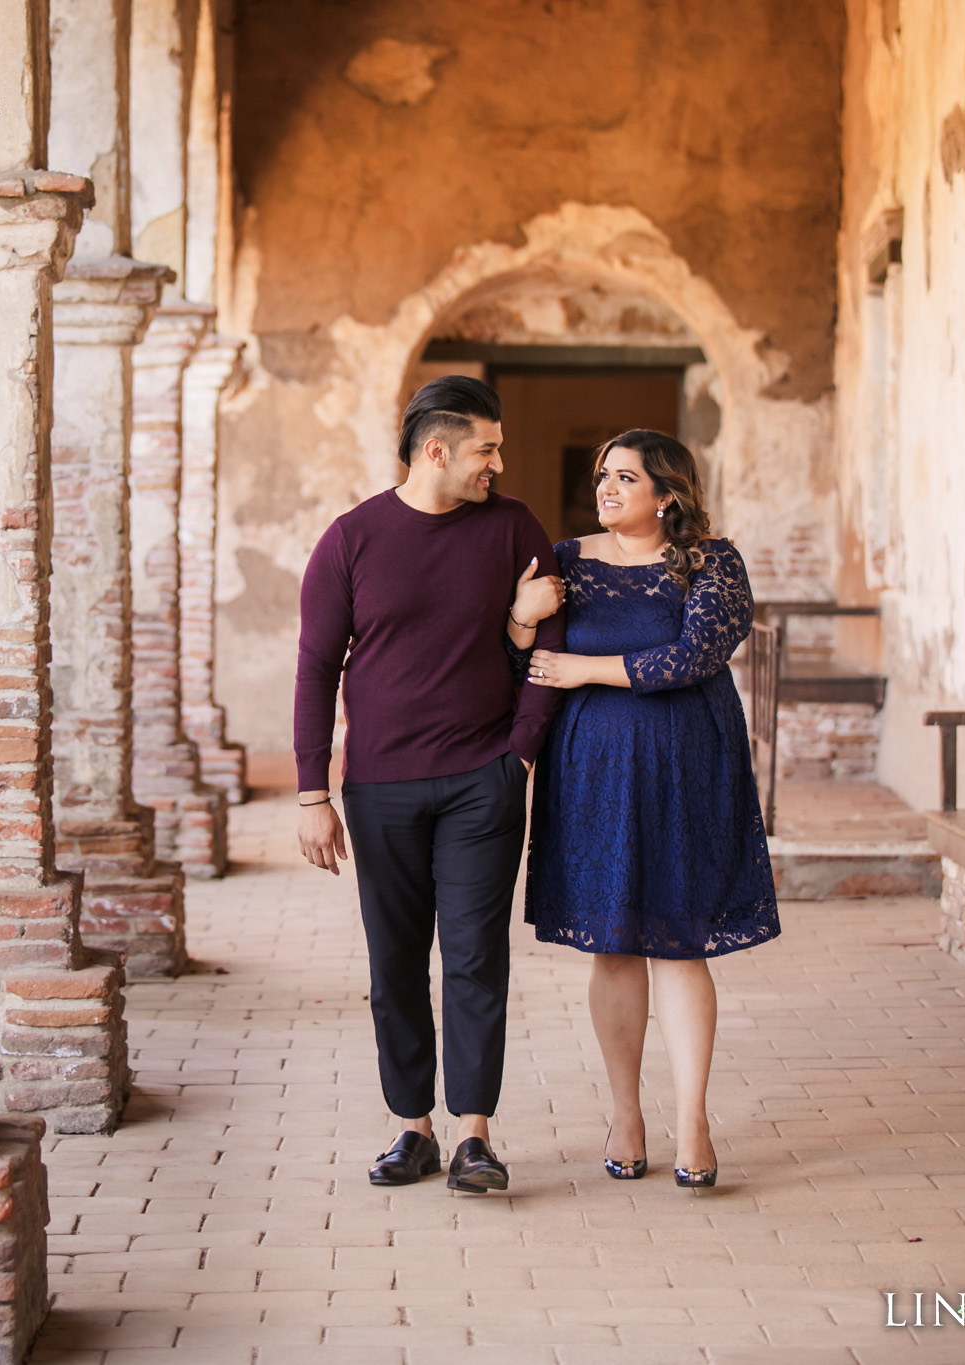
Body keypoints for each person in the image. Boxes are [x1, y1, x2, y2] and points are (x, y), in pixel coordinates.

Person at [294, 375, 566, 1194]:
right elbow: (314, 668)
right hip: (381, 787)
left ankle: (474, 1134)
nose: (499, 461)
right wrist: (314, 792)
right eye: (487, 446)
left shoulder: (514, 527)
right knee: (397, 963)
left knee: (477, 959)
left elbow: (547, 644)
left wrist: (518, 752)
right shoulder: (350, 540)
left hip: (483, 780)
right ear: (436, 449)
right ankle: (411, 1127)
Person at [512, 429, 780, 1192]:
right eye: (602, 475)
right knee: (613, 943)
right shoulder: (564, 561)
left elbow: (694, 657)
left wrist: (581, 669)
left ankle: (692, 1117)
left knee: (681, 940)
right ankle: (625, 1112)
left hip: (687, 761)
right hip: (592, 768)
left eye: (625, 477)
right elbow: (516, 656)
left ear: (667, 493)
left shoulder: (713, 562)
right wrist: (523, 621)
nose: (606, 488)